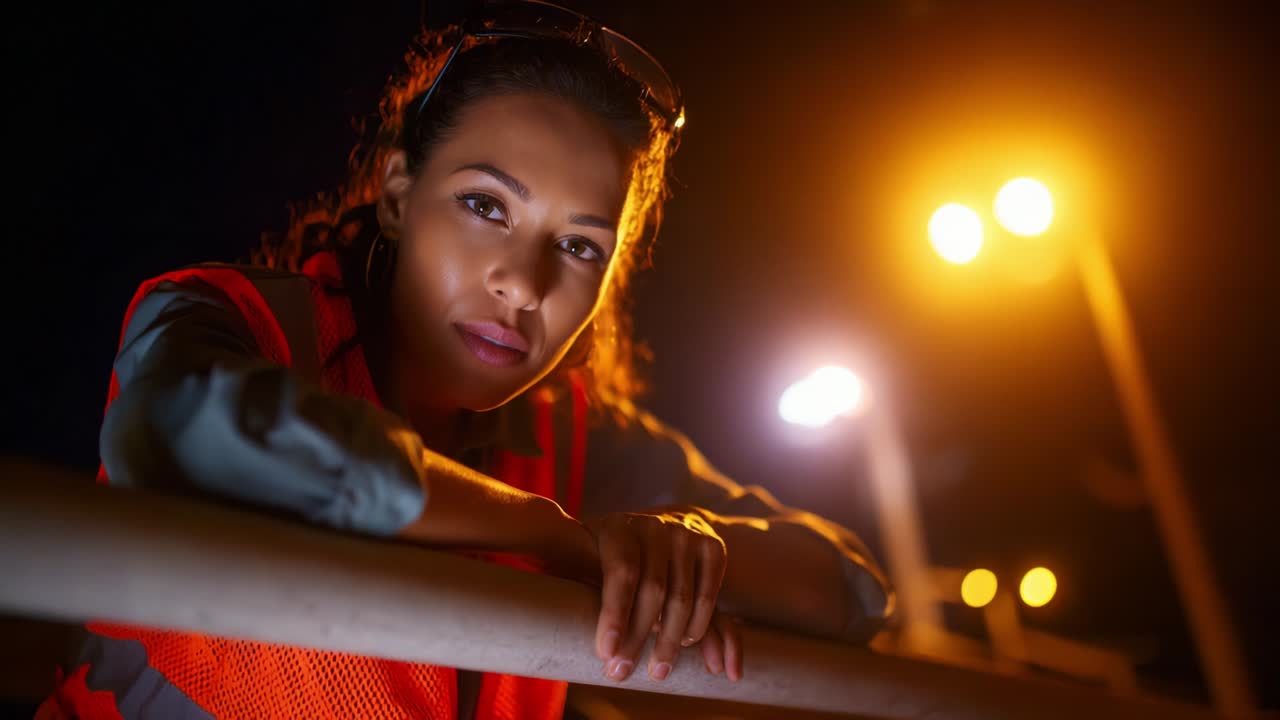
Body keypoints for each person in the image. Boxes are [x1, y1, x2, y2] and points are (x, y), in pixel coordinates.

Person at [40, 2, 892, 718]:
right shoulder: (229, 318)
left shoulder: (574, 433)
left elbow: (850, 587)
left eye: (580, 246)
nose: (523, 284)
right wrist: (552, 537)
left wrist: (691, 547)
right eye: (486, 204)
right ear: (397, 191)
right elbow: (176, 435)